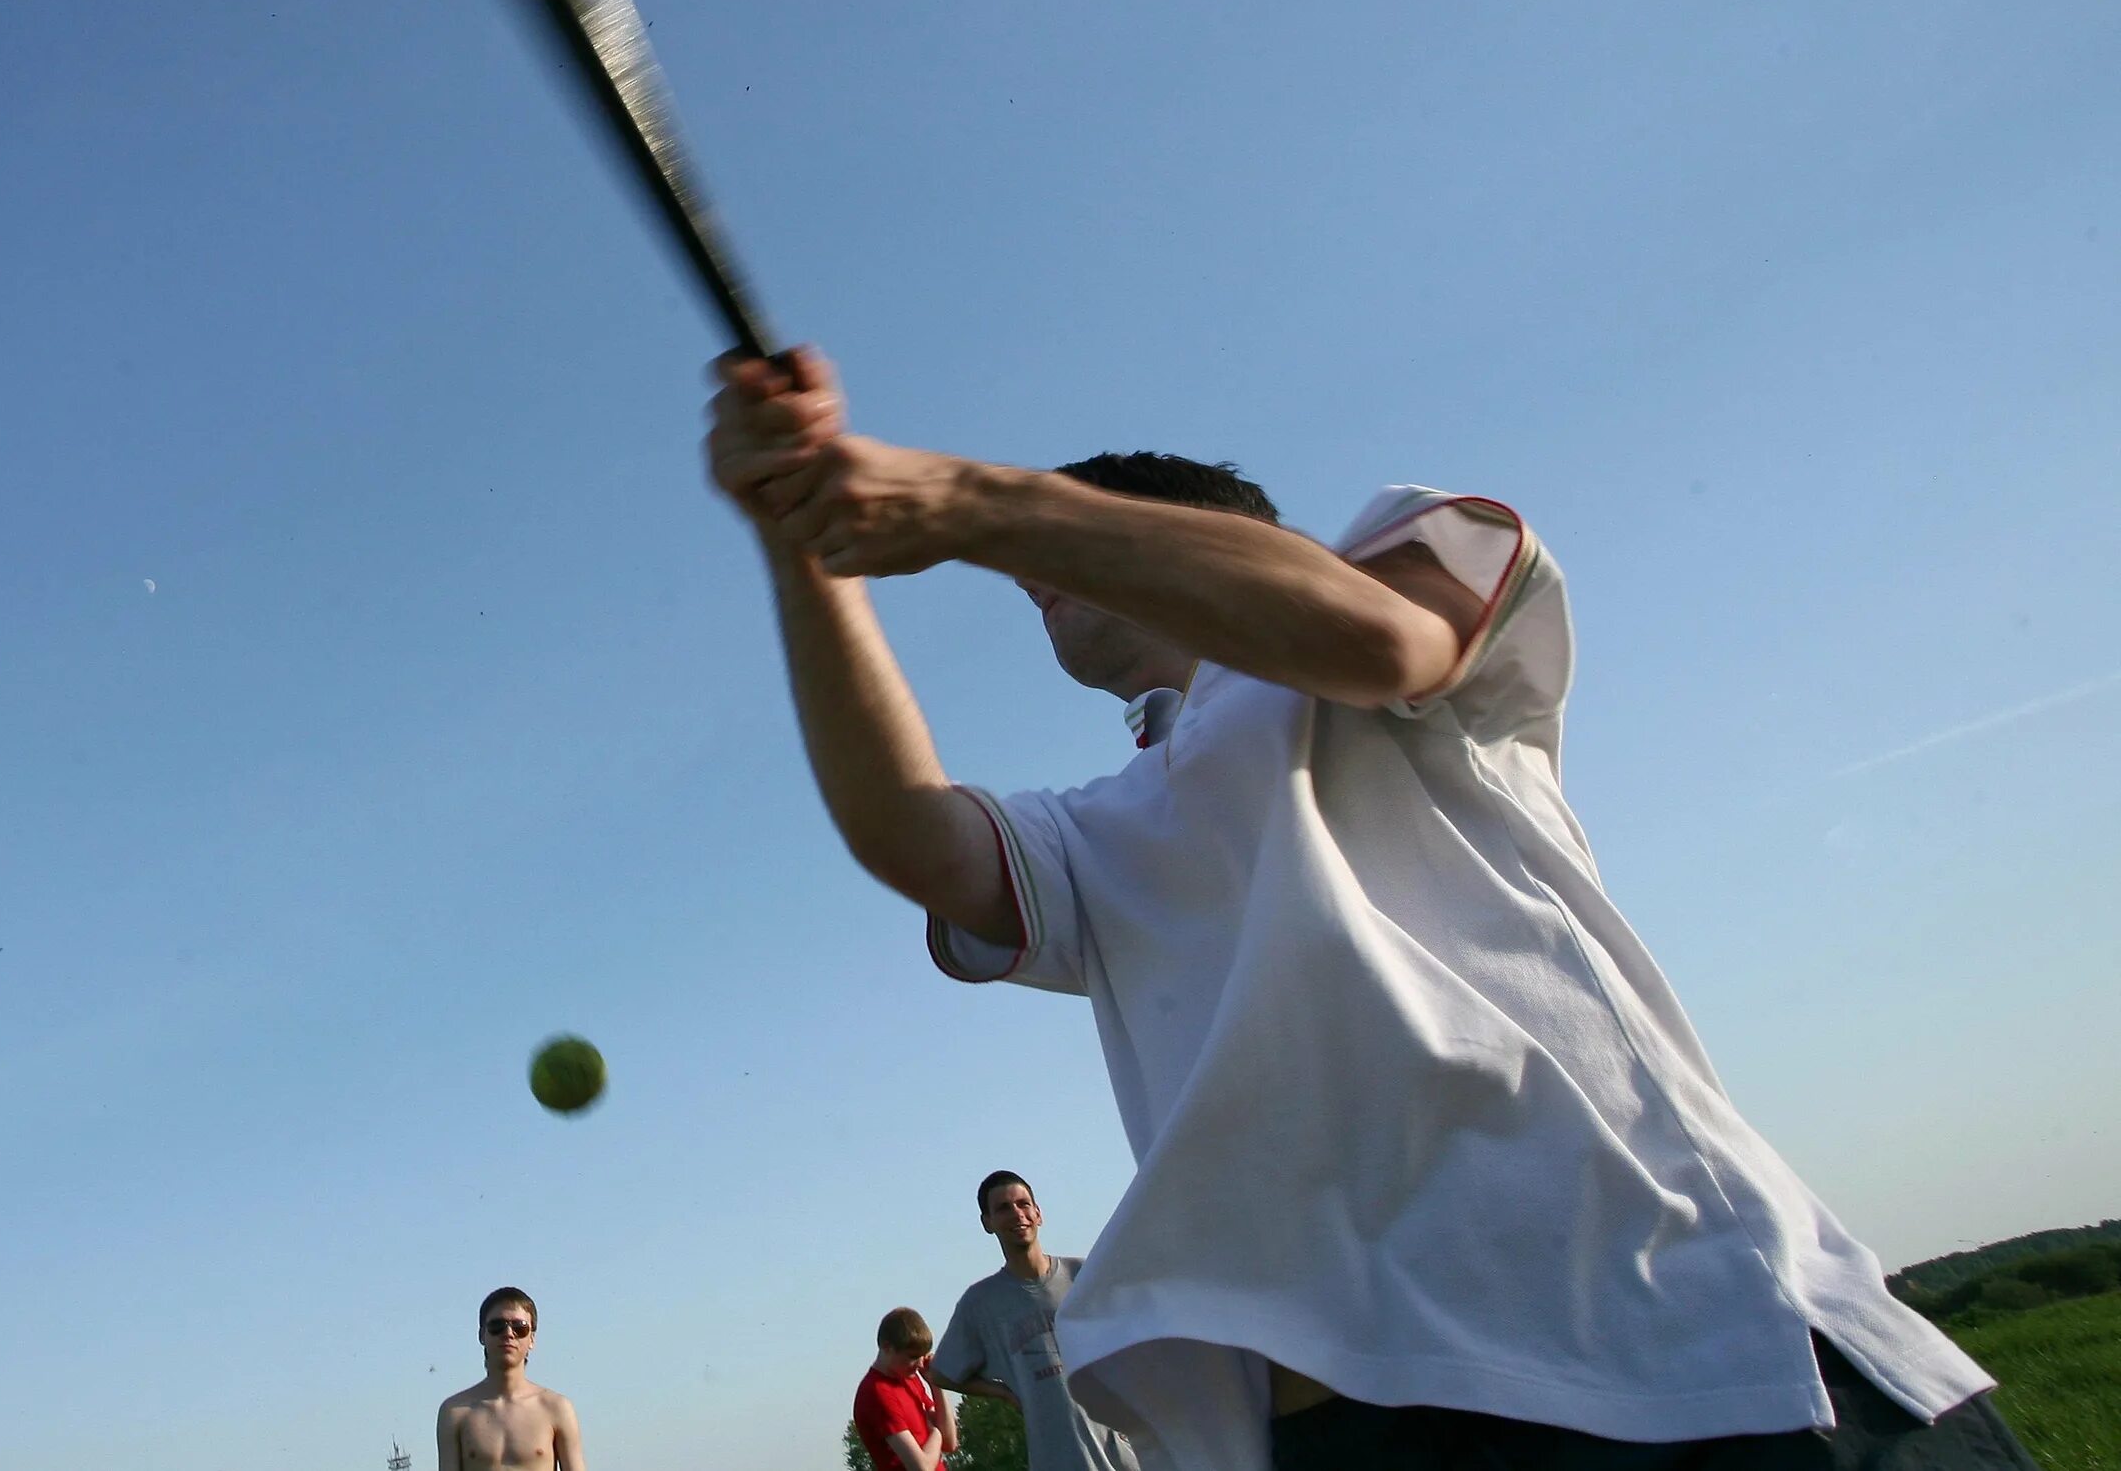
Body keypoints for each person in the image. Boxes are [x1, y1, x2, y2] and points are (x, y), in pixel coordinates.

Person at [703, 349, 2030, 1471]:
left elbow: (1381, 639)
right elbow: (913, 836)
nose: (1024, 575)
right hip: (1351, 1421)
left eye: (1071, 537)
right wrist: (802, 548)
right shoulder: (1101, 824)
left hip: (1677, 1336)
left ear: (1190, 533)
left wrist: (988, 502)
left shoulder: (1392, 556)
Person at [933, 1171, 1138, 1471]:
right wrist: (1003, 1392)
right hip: (1056, 1457)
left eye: (1023, 1204)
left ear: (1038, 1214)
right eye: (1003, 1208)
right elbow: (941, 1373)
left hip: (1122, 1450)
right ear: (987, 1223)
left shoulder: (1083, 1275)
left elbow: (1134, 1335)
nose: (1017, 1213)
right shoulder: (980, 1304)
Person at [438, 1287, 586, 1471]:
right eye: (497, 1326)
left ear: (532, 1339)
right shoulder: (455, 1412)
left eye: (520, 1327)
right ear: (482, 1335)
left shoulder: (556, 1408)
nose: (508, 1333)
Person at [856, 1305, 960, 1471]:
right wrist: (936, 1433)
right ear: (887, 1347)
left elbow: (950, 1442)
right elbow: (921, 1468)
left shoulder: (910, 1379)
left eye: (922, 1356)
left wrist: (935, 1384)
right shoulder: (877, 1392)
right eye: (912, 1357)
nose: (920, 1364)